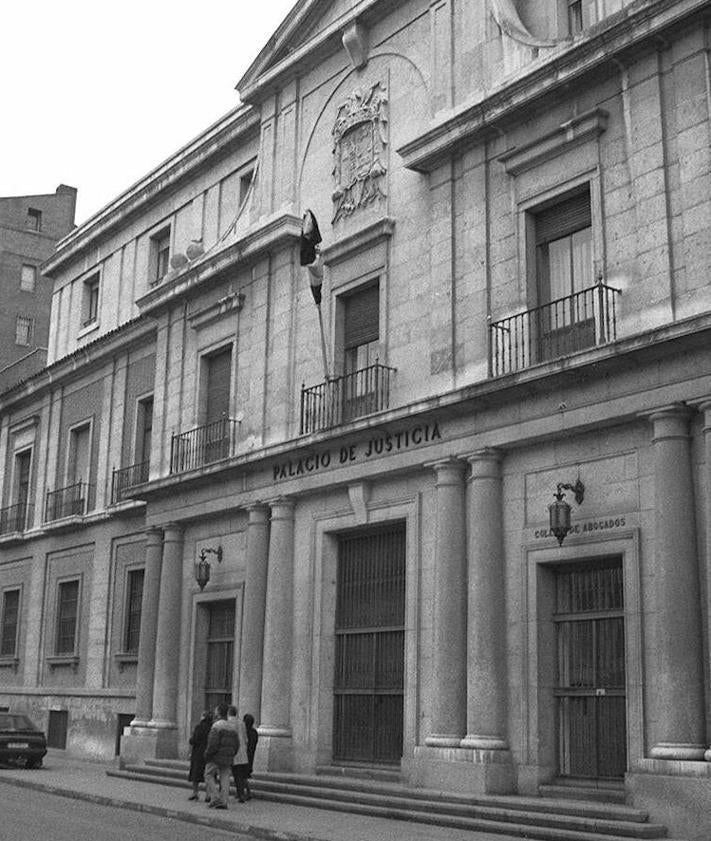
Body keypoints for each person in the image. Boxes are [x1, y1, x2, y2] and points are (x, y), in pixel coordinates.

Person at [203, 702, 239, 809]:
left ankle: (215, 797)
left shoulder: (216, 726)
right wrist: (232, 754)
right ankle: (224, 801)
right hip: (228, 756)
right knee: (225, 778)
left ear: (218, 713)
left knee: (208, 774)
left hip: (216, 756)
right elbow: (236, 744)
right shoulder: (232, 727)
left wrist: (207, 754)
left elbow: (212, 743)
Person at [187, 710, 212, 801]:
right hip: (209, 753)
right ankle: (208, 794)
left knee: (195, 774)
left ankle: (195, 792)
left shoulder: (199, 727)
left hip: (198, 753)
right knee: (208, 775)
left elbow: (194, 740)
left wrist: (191, 740)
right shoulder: (212, 727)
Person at [227, 705, 249, 802]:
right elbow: (245, 738)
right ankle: (241, 793)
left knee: (225, 773)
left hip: (231, 751)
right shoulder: (241, 723)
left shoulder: (228, 723)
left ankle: (223, 793)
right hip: (242, 751)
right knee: (239, 775)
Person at [243, 713, 259, 801]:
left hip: (245, 755)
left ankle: (247, 792)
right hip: (250, 755)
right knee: (244, 775)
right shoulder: (254, 732)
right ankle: (243, 792)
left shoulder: (247, 732)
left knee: (243, 775)